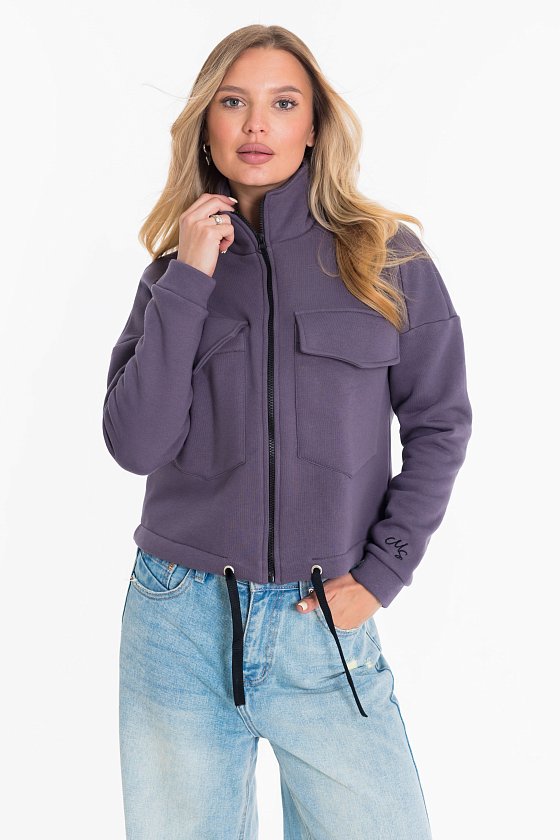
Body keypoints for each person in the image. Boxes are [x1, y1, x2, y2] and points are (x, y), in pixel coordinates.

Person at [103, 24, 472, 840]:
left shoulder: (385, 257)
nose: (256, 125)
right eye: (234, 102)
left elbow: (441, 420)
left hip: (323, 624)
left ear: (314, 126)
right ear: (206, 124)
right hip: (179, 624)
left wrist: (383, 572)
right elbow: (135, 445)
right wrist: (190, 279)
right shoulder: (172, 275)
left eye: (282, 103)